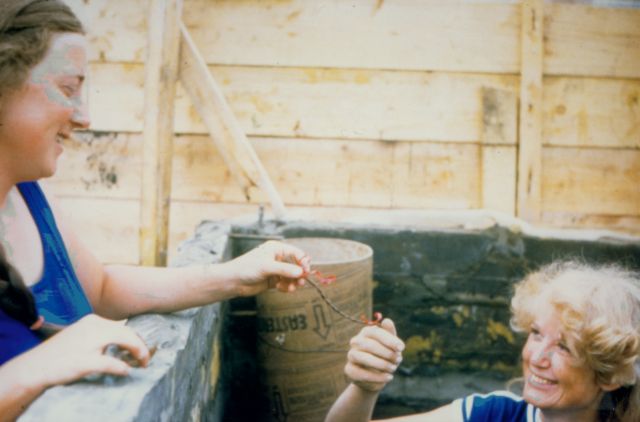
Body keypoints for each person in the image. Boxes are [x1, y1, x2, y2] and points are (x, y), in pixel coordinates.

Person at [0, 1, 311, 419]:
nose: (85, 116)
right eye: (68, 89)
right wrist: (35, 368)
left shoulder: (28, 195)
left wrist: (234, 276)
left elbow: (104, 289)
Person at [325, 261, 640, 422]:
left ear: (610, 374)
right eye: (536, 333)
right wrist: (364, 389)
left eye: (564, 347)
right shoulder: (492, 414)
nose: (537, 357)